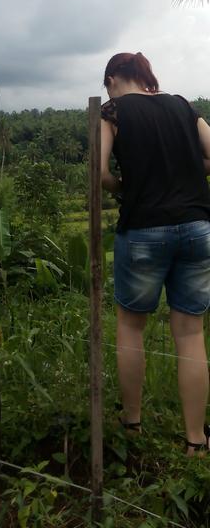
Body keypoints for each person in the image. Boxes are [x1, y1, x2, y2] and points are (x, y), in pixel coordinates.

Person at [101, 52, 210, 455]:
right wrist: (190, 171)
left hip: (144, 228)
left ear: (113, 79)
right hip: (199, 227)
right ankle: (196, 441)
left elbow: (98, 171)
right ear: (145, 78)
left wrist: (122, 187)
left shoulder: (113, 111)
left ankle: (132, 424)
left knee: (131, 327)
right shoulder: (181, 104)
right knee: (191, 333)